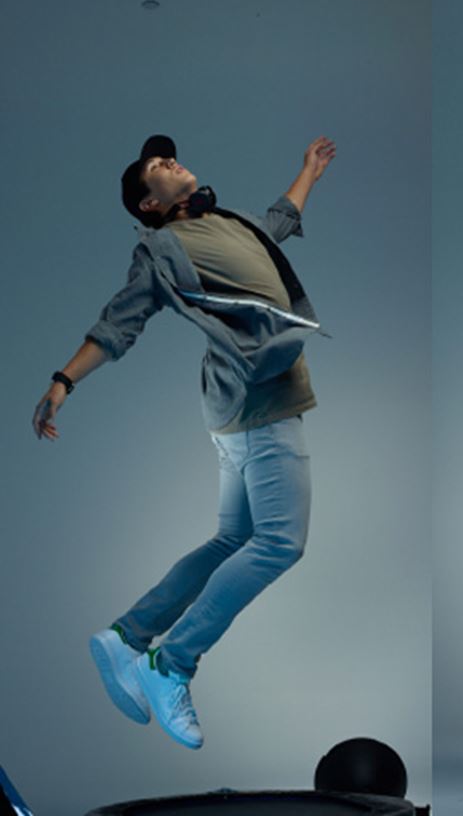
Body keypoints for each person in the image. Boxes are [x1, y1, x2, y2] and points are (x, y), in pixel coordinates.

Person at [33, 133, 335, 747]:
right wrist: (63, 380)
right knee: (279, 543)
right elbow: (117, 325)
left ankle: (127, 635)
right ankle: (170, 663)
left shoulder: (225, 219)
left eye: (167, 156)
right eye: (156, 167)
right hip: (260, 402)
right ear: (148, 204)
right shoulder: (161, 250)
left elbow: (276, 224)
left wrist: (307, 172)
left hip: (239, 405)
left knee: (233, 538)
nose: (169, 161)